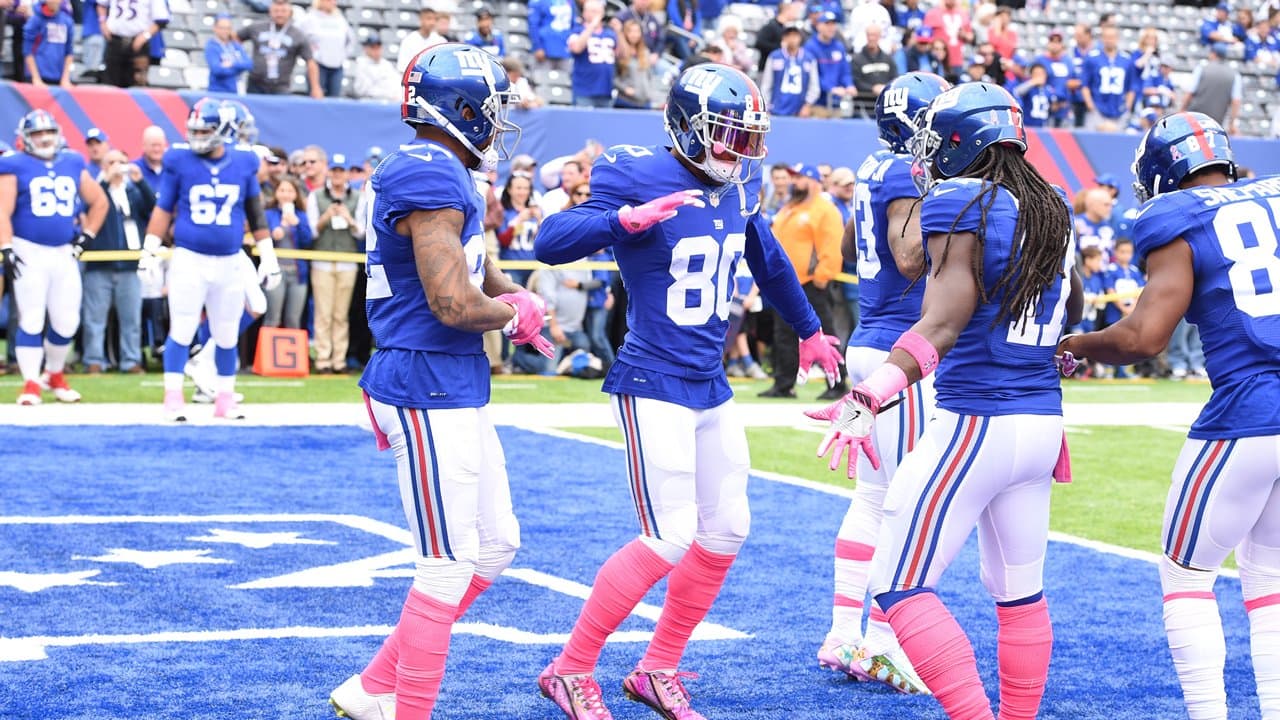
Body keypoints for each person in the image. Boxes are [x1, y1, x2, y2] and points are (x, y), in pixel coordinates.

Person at [532, 63, 843, 720]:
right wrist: (622, 219)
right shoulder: (635, 169)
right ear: (687, 127)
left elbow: (768, 257)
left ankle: (657, 667)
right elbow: (550, 241)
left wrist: (811, 331)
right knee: (670, 534)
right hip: (652, 376)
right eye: (728, 133)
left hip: (709, 381)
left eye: (747, 135)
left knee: (728, 527)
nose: (741, 149)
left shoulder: (739, 185)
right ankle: (571, 667)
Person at [811, 82, 1080, 720]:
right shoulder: (1053, 205)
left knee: (897, 584)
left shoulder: (962, 201)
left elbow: (939, 326)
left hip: (977, 419)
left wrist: (867, 396)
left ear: (963, 142)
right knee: (1019, 595)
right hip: (1042, 422)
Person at [327, 42, 552, 720]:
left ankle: (373, 686)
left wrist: (518, 293)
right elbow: (452, 303)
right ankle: (407, 709)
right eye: (489, 109)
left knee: (494, 545)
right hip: (421, 379)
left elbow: (473, 270)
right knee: (447, 562)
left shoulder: (449, 169)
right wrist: (511, 317)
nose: (497, 121)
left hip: (452, 379)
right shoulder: (428, 170)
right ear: (458, 109)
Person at [1057, 111, 1280, 720]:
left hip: (1248, 410)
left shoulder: (1175, 216)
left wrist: (1077, 345)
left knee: (1186, 576)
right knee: (1270, 584)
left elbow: (1145, 337)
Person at [812, 72, 949, 696]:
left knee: (873, 497)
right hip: (903, 352)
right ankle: (888, 642)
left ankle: (845, 631)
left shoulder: (873, 169)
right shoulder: (906, 174)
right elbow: (911, 257)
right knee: (907, 501)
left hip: (875, 337)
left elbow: (849, 241)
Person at [144, 97, 280, 421]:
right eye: (194, 129)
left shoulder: (244, 161)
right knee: (183, 328)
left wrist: (269, 257)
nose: (197, 135)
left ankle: (224, 398)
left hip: (230, 260)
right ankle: (173, 396)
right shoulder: (179, 159)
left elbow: (256, 213)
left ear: (222, 130)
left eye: (204, 129)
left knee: (227, 332)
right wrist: (149, 248)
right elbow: (163, 209)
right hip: (190, 258)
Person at [0, 110, 108, 405]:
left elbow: (99, 201)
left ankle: (54, 374)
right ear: (25, 138)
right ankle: (31, 383)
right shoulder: (14, 165)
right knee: (32, 318)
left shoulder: (72, 161)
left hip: (64, 251)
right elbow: (3, 210)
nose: (44, 138)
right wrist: (7, 246)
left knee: (67, 321)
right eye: (37, 134)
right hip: (28, 249)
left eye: (48, 132)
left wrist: (87, 237)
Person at [758, 163, 845, 400]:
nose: (794, 182)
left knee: (824, 332)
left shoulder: (824, 209)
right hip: (785, 283)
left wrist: (822, 276)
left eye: (800, 178)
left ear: (814, 181)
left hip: (810, 283)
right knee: (783, 335)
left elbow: (832, 245)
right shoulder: (789, 207)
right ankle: (783, 384)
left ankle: (836, 383)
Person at [81, 149, 153, 375]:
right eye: (111, 162)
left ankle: (130, 360)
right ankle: (93, 360)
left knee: (131, 319)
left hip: (129, 265)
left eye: (121, 162)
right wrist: (103, 181)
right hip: (99, 263)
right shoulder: (97, 190)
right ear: (103, 166)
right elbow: (84, 209)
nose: (116, 167)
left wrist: (141, 182)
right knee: (94, 319)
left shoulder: (132, 192)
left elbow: (154, 208)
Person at [307, 152, 362, 374]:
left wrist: (348, 219)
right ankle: (322, 359)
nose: (338, 175)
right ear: (329, 172)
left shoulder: (358, 197)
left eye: (342, 171)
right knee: (323, 313)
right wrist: (327, 216)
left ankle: (338, 359)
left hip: (347, 261)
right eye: (335, 171)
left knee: (340, 314)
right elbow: (311, 230)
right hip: (322, 260)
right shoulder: (316, 196)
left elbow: (362, 232)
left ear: (347, 174)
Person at [237, 0, 322, 98]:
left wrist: (315, 87)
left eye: (283, 11)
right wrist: (240, 56)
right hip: (255, 84)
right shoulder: (257, 27)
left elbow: (311, 62)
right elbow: (235, 38)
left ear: (290, 13)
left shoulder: (298, 35)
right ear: (270, 11)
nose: (279, 14)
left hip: (281, 87)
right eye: (276, 11)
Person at [263, 176, 312, 329]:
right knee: (273, 317)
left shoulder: (301, 215)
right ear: (276, 192)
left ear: (296, 194)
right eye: (282, 190)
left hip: (298, 274)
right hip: (275, 271)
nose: (286, 194)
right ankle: (267, 352)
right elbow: (261, 238)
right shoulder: (269, 214)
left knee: (293, 319)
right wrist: (273, 234)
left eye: (290, 191)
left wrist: (296, 223)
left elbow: (308, 241)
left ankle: (292, 352)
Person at [99, 0, 169, 87]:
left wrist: (145, 36)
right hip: (115, 40)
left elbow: (161, 19)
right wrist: (103, 23)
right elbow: (101, 4)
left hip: (138, 43)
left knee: (137, 83)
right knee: (110, 84)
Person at [1081, 25, 1136, 133]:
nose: (1109, 40)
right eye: (1106, 37)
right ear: (1102, 38)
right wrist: (1091, 107)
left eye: (1112, 37)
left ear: (1117, 38)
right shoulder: (1092, 57)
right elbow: (1085, 85)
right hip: (1098, 109)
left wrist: (1127, 107)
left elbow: (1131, 87)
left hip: (1119, 110)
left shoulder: (1127, 59)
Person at [300, 0, 357, 98]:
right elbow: (299, 38)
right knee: (317, 99)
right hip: (318, 66)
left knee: (334, 100)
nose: (332, 2)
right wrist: (310, 55)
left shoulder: (340, 19)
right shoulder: (309, 18)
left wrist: (342, 55)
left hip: (337, 67)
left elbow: (351, 39)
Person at [760, 25, 819, 117]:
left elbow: (814, 86)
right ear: (784, 38)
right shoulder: (774, 56)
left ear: (800, 37)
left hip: (799, 111)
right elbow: (766, 84)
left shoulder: (809, 59)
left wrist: (807, 105)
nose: (792, 39)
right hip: (776, 109)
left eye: (795, 35)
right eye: (788, 35)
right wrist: (766, 107)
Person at [568, 0, 617, 108]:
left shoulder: (610, 33)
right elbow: (576, 48)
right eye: (591, 11)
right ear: (584, 13)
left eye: (596, 11)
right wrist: (592, 26)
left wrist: (620, 31)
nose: (594, 15)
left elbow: (621, 56)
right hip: (584, 90)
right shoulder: (577, 30)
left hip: (606, 90)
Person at [22, 0, 74, 88]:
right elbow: (27, 51)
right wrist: (36, 78)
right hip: (37, 78)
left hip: (58, 78)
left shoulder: (67, 21)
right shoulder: (35, 20)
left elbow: (69, 52)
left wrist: (65, 78)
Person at [206, 13, 254, 94]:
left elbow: (249, 64)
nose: (225, 31)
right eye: (222, 28)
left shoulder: (235, 45)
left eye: (228, 28)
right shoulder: (211, 46)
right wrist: (239, 68)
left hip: (236, 90)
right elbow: (217, 70)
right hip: (218, 91)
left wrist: (232, 64)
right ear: (215, 28)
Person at [397, 5, 446, 72]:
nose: (432, 22)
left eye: (435, 19)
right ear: (421, 20)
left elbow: (443, 64)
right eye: (429, 18)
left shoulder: (441, 41)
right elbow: (402, 67)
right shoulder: (409, 40)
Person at [528, 0, 575, 71]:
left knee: (566, 80)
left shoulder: (570, 2)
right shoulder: (538, 2)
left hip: (565, 50)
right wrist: (538, 47)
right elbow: (533, 25)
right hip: (546, 50)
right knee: (542, 79)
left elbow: (573, 24)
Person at [352, 34, 400, 101]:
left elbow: (397, 83)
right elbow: (362, 91)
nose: (376, 50)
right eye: (373, 47)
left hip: (390, 101)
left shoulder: (386, 64)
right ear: (366, 48)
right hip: (371, 102)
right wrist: (387, 94)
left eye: (378, 47)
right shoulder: (361, 64)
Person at [134, 125, 167, 190]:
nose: (156, 149)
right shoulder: (135, 168)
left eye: (159, 145)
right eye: (153, 145)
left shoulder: (172, 168)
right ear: (144, 146)